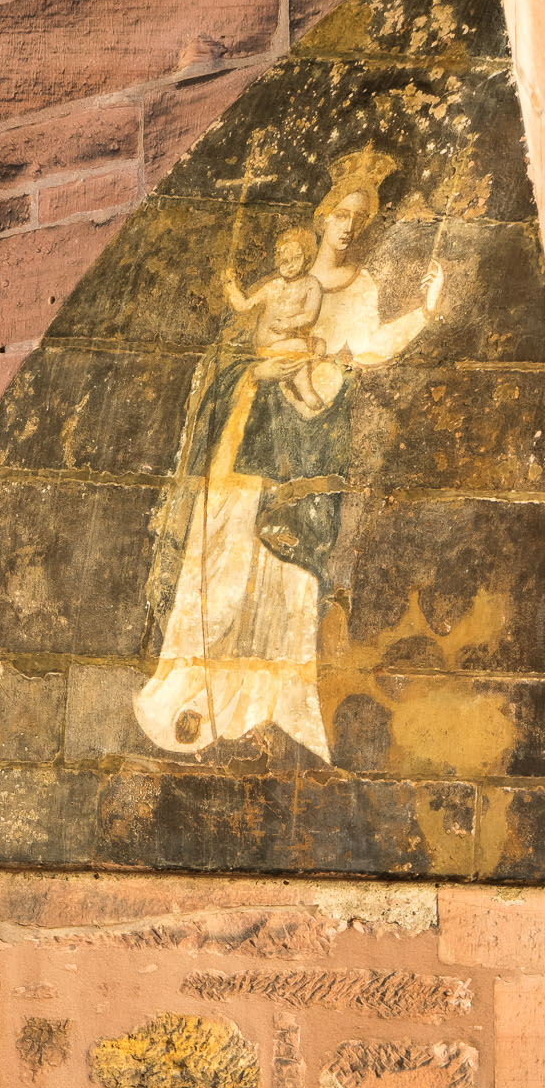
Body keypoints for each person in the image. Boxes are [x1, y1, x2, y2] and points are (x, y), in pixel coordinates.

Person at [133, 156, 447, 762]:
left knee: (287, 579)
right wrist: (258, 369)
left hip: (310, 437)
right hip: (249, 431)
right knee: (226, 550)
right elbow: (231, 354)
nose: (350, 226)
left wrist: (425, 312)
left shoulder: (364, 288)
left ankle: (266, 705)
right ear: (323, 216)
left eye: (362, 218)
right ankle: (196, 688)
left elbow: (368, 350)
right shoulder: (282, 278)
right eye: (343, 213)